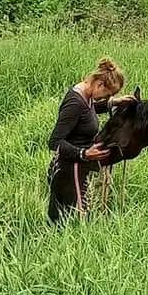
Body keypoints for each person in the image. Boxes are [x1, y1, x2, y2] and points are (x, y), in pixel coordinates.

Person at [47, 56, 125, 225]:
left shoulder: (85, 94)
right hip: (71, 169)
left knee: (63, 220)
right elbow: (54, 141)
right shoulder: (75, 103)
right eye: (107, 95)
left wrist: (113, 103)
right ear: (99, 84)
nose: (105, 98)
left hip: (76, 168)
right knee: (78, 222)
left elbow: (87, 113)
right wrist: (84, 153)